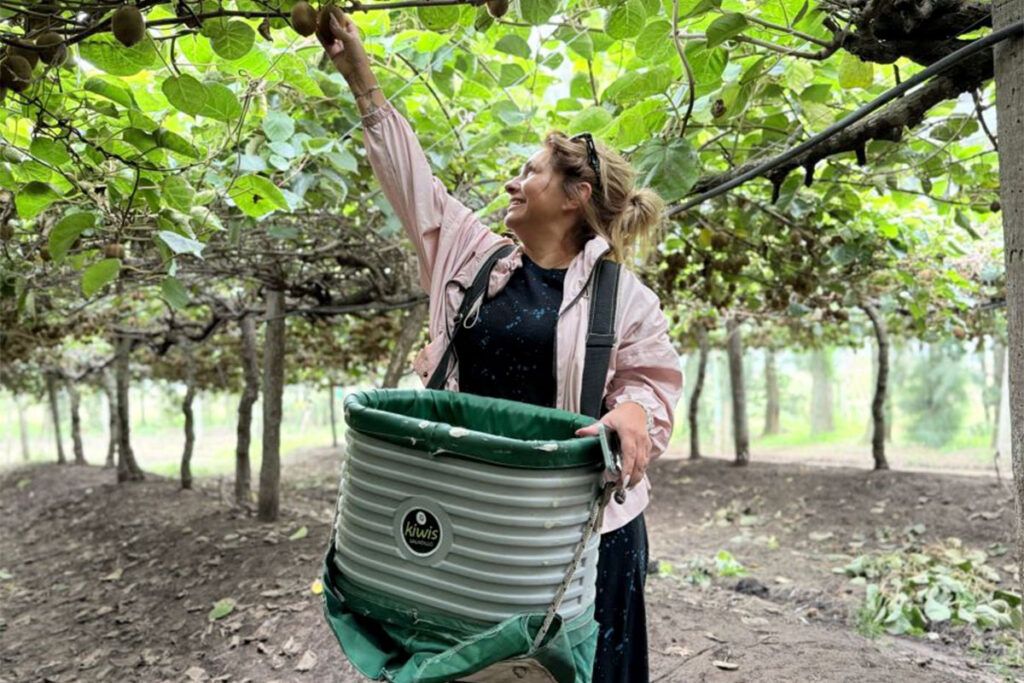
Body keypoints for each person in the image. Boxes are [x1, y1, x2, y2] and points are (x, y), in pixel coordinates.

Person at [319, 12, 684, 682]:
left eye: (529, 171)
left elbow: (649, 384)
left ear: (575, 195)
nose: (512, 183)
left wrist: (635, 413)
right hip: (475, 514)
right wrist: (362, 80)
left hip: (575, 536)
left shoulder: (624, 298)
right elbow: (415, 187)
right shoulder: (473, 259)